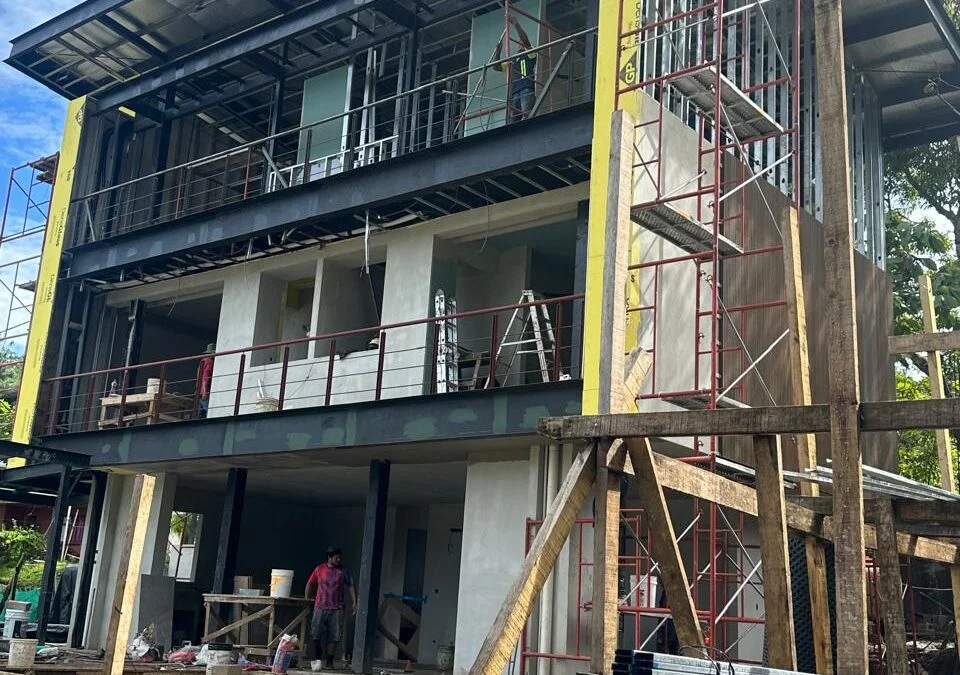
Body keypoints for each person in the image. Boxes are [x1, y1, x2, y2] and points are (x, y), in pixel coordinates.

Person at [306, 547, 357, 669]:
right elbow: (310, 583)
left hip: (337, 608)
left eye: (340, 557)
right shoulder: (319, 569)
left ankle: (329, 661)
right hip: (320, 606)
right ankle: (317, 657)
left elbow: (351, 586)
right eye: (336, 557)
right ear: (329, 557)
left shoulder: (344, 571)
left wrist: (355, 602)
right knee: (316, 633)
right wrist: (307, 599)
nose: (339, 559)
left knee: (335, 635)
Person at [494, 15, 537, 123]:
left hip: (526, 89)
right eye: (519, 43)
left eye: (521, 43)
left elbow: (525, 40)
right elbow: (496, 67)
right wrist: (498, 52)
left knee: (526, 117)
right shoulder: (512, 61)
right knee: (512, 122)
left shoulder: (530, 55)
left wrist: (516, 24)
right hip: (514, 93)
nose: (520, 43)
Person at [196, 343, 215, 418]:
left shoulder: (202, 362)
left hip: (199, 391)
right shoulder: (209, 362)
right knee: (208, 413)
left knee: (199, 415)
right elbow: (205, 377)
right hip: (205, 392)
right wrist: (205, 392)